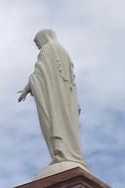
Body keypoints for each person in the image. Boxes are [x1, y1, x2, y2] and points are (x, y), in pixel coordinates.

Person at [16, 29, 87, 174]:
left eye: (37, 43)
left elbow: (40, 72)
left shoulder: (48, 49)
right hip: (67, 99)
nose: (38, 46)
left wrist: (27, 87)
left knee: (55, 123)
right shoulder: (63, 52)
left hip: (55, 99)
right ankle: (68, 154)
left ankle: (62, 154)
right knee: (68, 126)